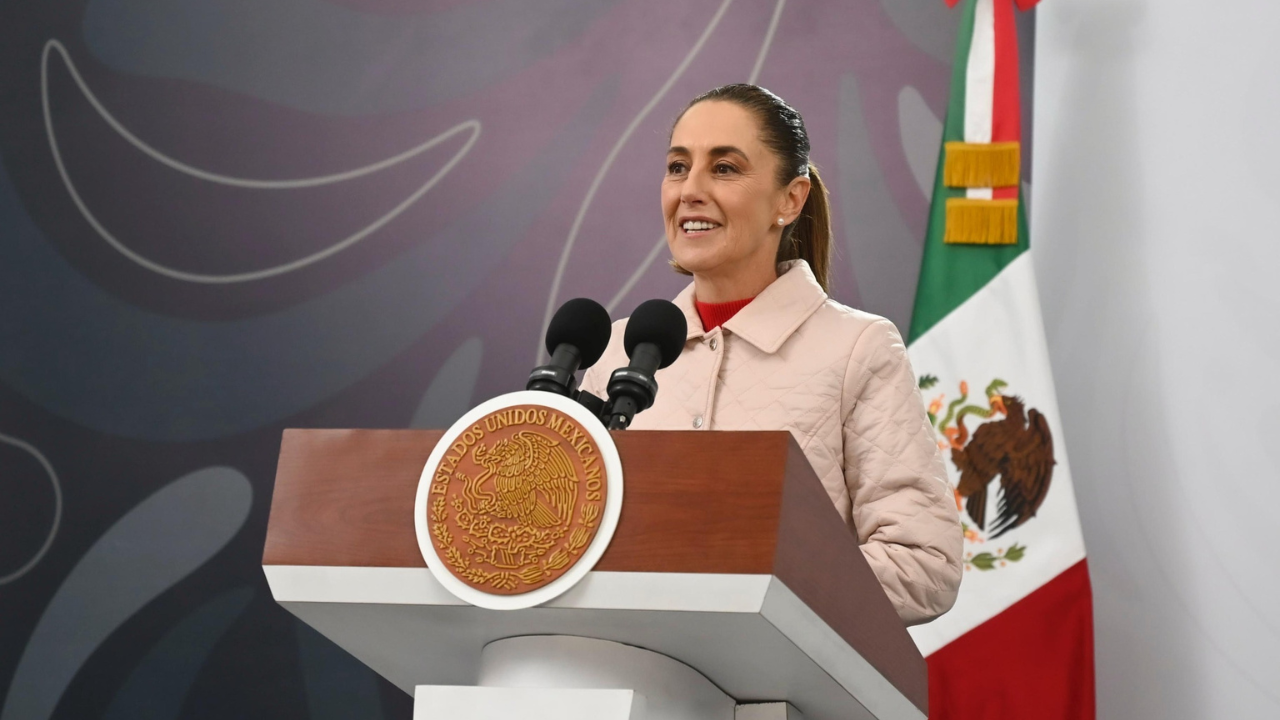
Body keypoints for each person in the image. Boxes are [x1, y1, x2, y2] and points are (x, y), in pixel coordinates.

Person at [581, 84, 962, 625]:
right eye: (677, 167)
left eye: (724, 168)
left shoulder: (858, 348)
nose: (690, 190)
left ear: (790, 200)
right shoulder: (617, 350)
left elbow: (924, 566)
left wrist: (745, 576)